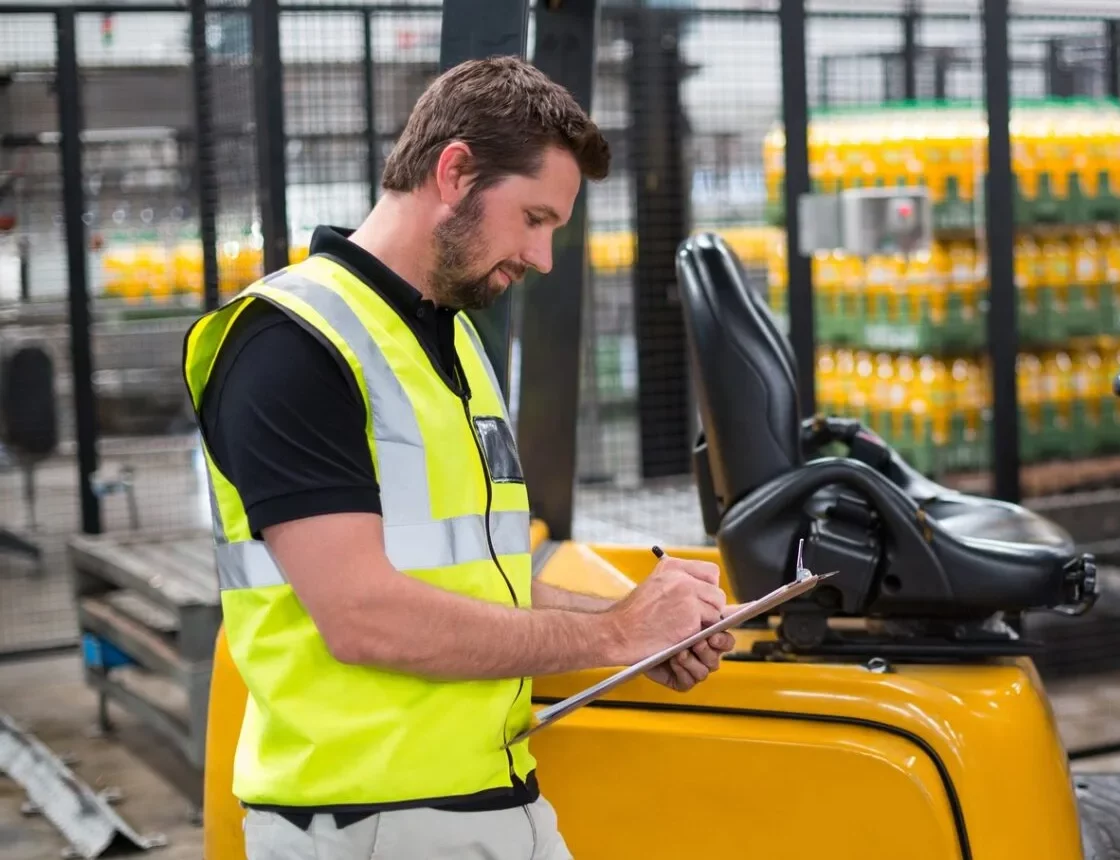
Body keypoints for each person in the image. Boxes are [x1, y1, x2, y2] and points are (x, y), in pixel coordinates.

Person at [181, 56, 736, 860]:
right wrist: (613, 634)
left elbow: (476, 579)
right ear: (455, 172)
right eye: (534, 219)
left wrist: (641, 631)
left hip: (488, 797)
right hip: (369, 821)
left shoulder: (451, 341)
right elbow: (364, 617)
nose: (543, 258)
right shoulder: (288, 345)